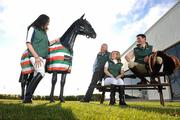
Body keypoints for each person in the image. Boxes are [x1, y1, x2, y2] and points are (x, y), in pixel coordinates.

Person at [23, 14, 59, 103]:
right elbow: (28, 43)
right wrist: (36, 56)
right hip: (35, 57)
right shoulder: (32, 28)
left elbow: (47, 44)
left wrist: (55, 41)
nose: (48, 25)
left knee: (36, 76)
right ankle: (27, 97)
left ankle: (28, 97)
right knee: (41, 73)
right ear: (42, 21)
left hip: (43, 58)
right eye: (47, 23)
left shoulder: (44, 32)